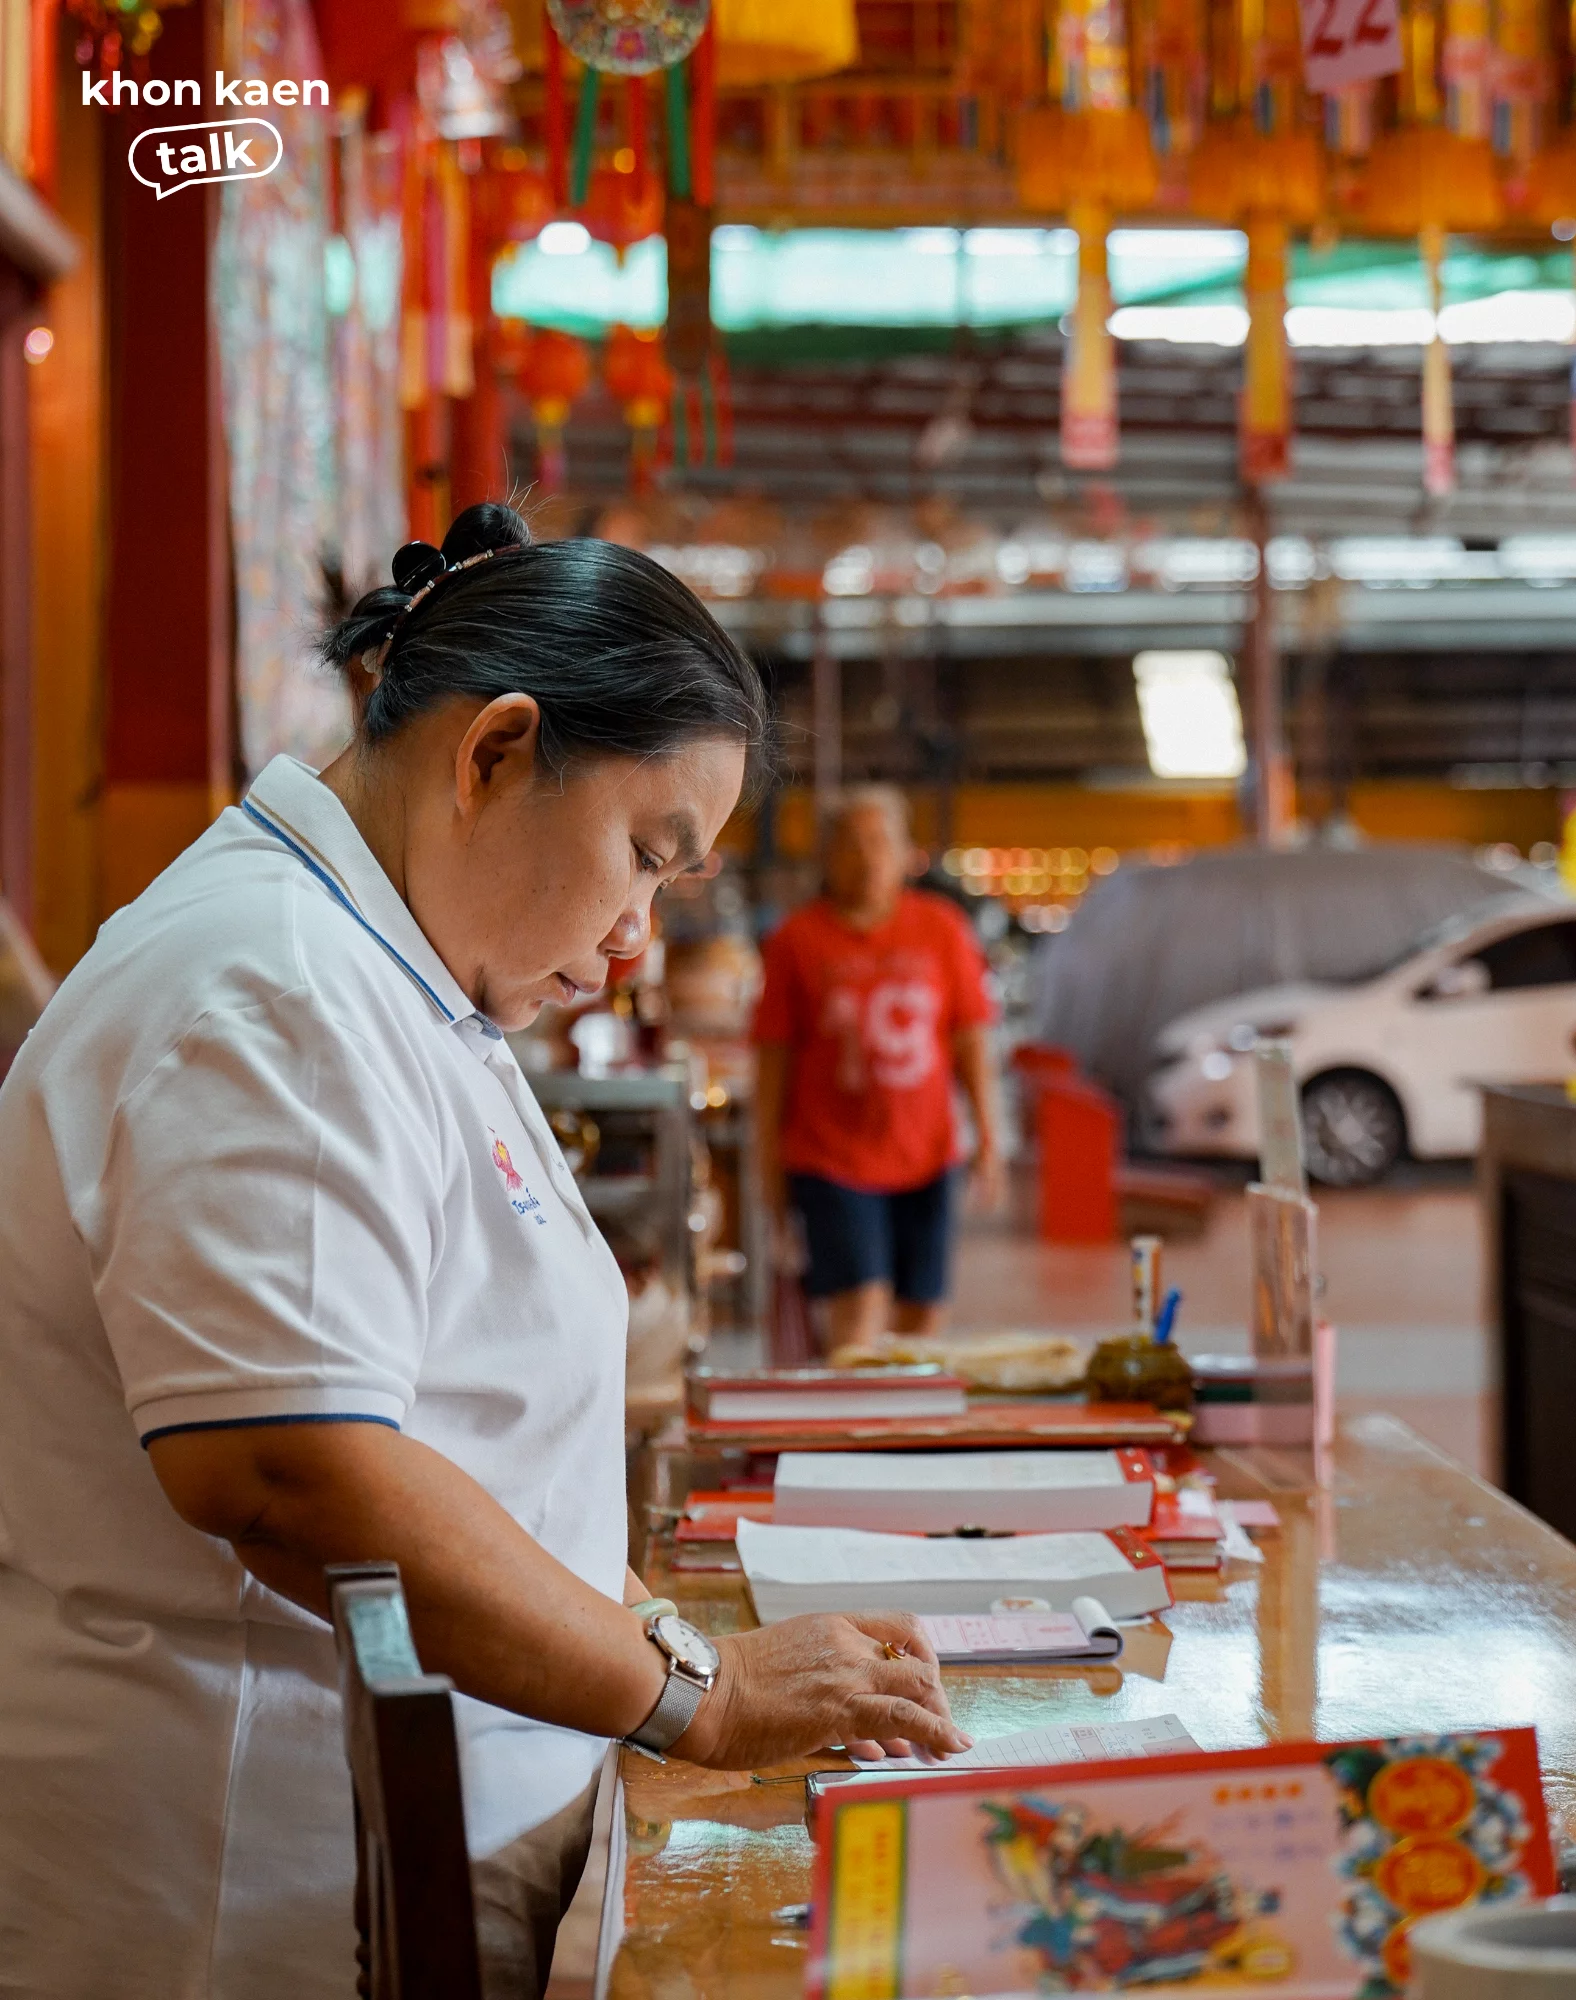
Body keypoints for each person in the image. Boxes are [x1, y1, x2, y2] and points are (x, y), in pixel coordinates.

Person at [0, 505, 968, 2000]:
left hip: (431, 1821)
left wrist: (650, 1632)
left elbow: (474, 1435)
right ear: (497, 752)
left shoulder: (402, 974)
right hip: (259, 1886)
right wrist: (698, 1694)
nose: (637, 938)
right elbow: (294, 1470)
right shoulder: (273, 989)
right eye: (642, 856)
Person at [753, 785, 1001, 1355]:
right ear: (826, 856)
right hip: (831, 1158)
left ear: (906, 853)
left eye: (880, 843)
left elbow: (970, 1041)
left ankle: (899, 1416)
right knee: (859, 1309)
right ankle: (850, 1413)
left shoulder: (942, 929)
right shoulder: (795, 941)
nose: (867, 858)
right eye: (851, 844)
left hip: (928, 1155)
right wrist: (769, 1173)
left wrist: (988, 1136)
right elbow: (772, 1068)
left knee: (923, 1314)